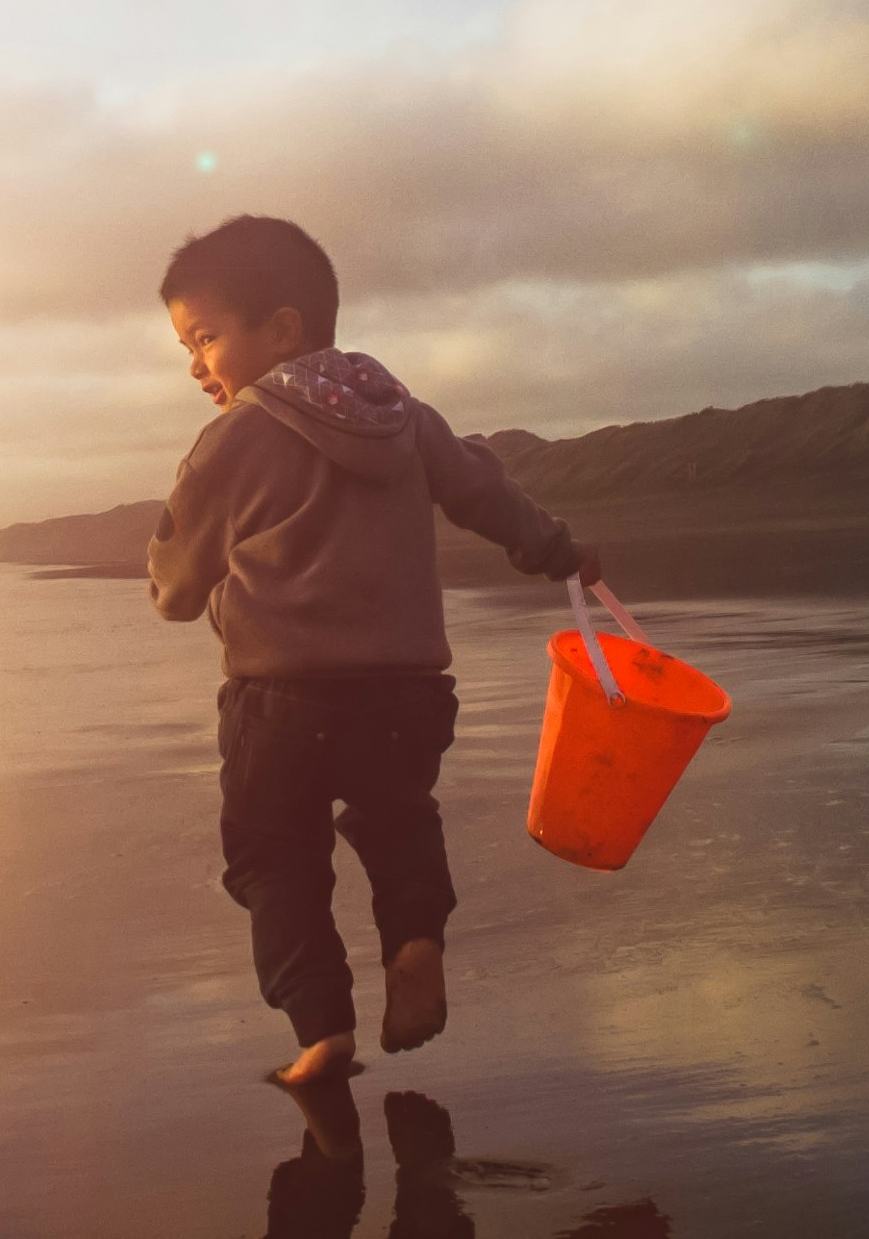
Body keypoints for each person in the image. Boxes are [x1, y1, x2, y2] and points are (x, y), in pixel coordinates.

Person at [149, 214, 602, 1087]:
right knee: (399, 823)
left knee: (274, 858)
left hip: (277, 702)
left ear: (281, 328)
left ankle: (322, 1029)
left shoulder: (234, 436)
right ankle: (416, 941)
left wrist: (188, 588)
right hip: (405, 692)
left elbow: (173, 583)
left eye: (205, 338)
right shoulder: (404, 413)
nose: (197, 364)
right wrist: (555, 549)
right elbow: (485, 490)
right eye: (185, 347)